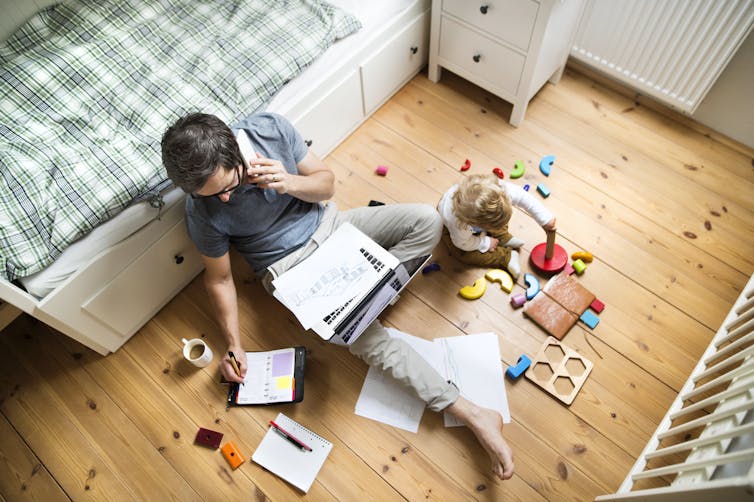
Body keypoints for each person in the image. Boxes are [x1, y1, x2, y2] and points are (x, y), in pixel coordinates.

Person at [161, 112, 514, 480]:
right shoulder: (201, 211)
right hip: (290, 270)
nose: (226, 197)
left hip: (334, 227)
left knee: (427, 220)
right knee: (362, 337)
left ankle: (363, 300)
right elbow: (219, 280)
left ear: (235, 150)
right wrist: (233, 343)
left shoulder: (267, 129)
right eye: (214, 196)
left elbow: (326, 185)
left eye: (228, 185)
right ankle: (470, 412)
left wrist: (289, 182)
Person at [438, 173, 556, 278]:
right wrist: (486, 242)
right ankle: (505, 257)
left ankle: (503, 236)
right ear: (478, 224)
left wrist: (545, 219)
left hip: (479, 219)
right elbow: (463, 243)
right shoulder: (459, 225)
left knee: (499, 218)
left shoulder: (499, 191)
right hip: (457, 234)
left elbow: (523, 197)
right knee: (461, 253)